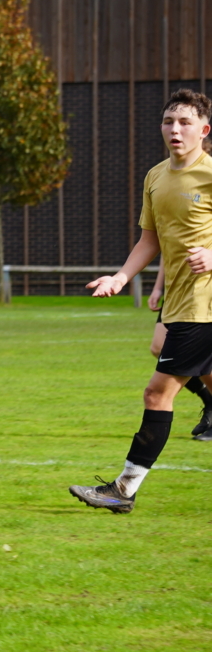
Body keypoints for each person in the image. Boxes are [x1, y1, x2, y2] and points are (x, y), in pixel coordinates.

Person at [71, 89, 212, 512]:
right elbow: (150, 239)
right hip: (181, 300)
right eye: (169, 121)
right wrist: (121, 276)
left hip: (203, 306)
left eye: (185, 122)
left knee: (157, 394)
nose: (175, 129)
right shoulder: (155, 177)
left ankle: (124, 488)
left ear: (204, 130)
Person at [147, 269, 212, 440]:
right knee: (158, 346)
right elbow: (165, 250)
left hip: (202, 289)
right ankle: (208, 398)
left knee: (201, 355)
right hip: (176, 289)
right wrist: (158, 289)